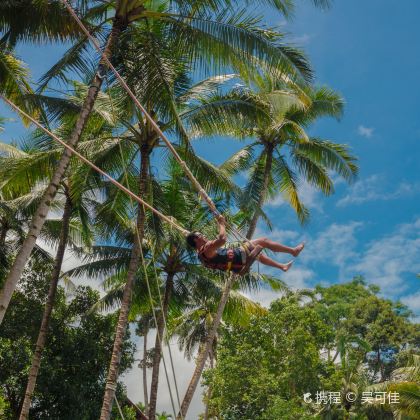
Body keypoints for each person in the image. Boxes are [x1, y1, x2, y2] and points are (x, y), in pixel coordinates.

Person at [186, 215, 305, 274]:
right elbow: (222, 239)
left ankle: (281, 266)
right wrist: (221, 223)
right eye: (201, 235)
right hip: (239, 257)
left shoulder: (201, 257)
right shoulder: (206, 248)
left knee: (257, 254)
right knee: (263, 241)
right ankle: (293, 251)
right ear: (196, 240)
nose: (204, 236)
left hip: (238, 264)